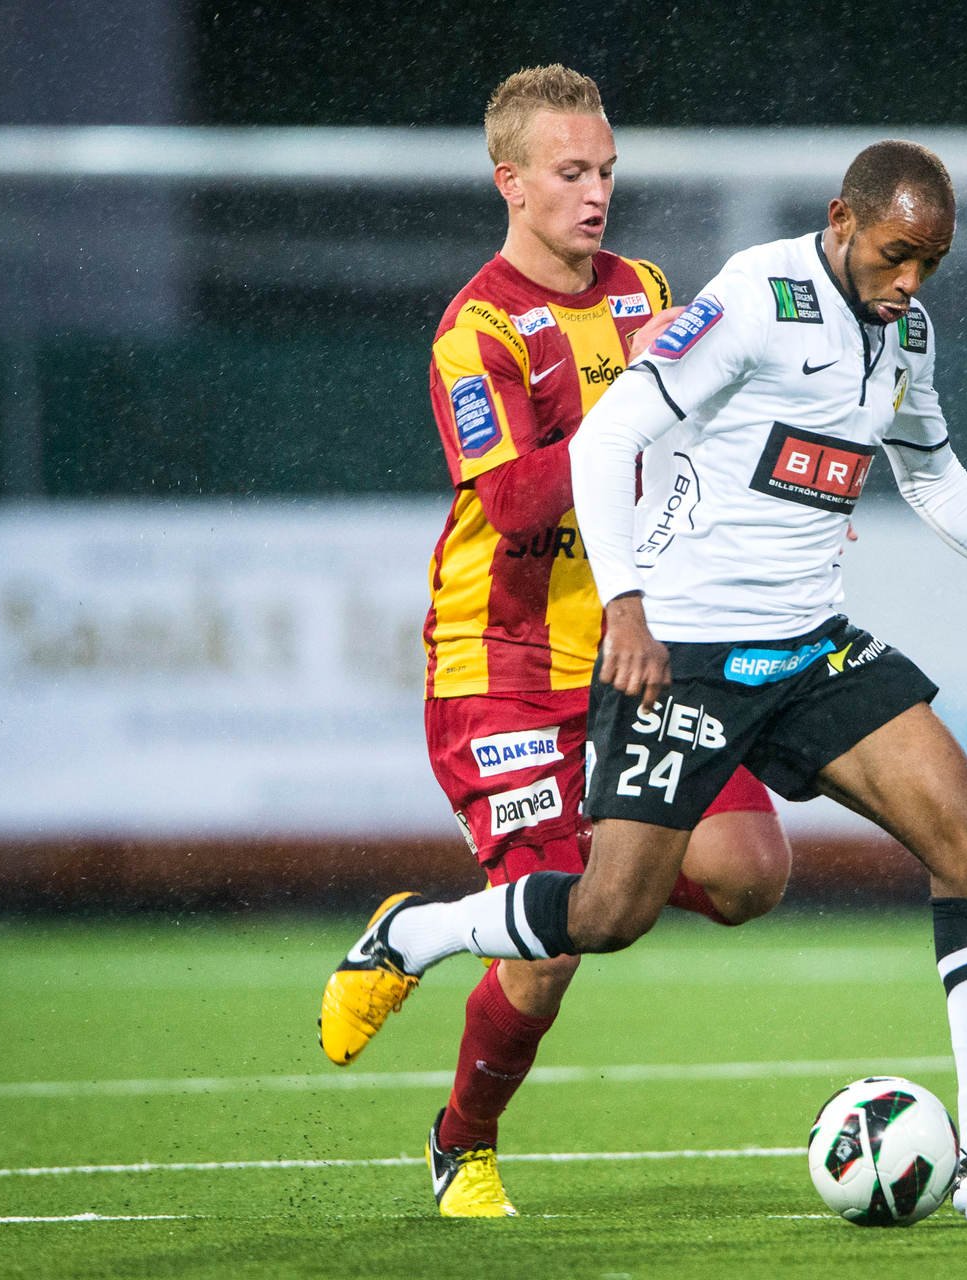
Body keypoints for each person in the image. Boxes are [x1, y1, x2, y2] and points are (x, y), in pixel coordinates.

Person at [325, 138, 967, 1223]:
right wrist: (625, 602)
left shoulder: (904, 329)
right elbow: (616, 429)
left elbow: (931, 469)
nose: (910, 283)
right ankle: (416, 935)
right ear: (842, 220)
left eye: (931, 265)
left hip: (806, 646)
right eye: (897, 255)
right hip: (690, 650)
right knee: (606, 912)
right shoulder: (755, 295)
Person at [316, 65, 791, 1219]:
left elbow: (696, 429)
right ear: (511, 183)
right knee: (555, 938)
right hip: (506, 668)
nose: (597, 195)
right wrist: (629, 417)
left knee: (749, 871)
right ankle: (460, 1143)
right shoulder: (474, 328)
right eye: (572, 174)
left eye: (607, 171)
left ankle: (471, 911)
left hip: (632, 655)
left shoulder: (646, 289)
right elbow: (523, 502)